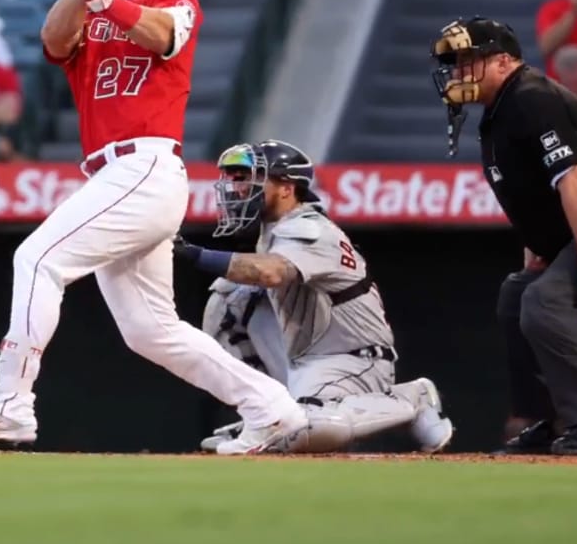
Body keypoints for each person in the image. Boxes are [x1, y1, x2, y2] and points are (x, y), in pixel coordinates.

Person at [0, 0, 307, 453]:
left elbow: (163, 36)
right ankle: (271, 408)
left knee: (38, 259)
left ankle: (10, 400)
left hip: (146, 166)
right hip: (111, 175)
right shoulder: (82, 18)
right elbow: (52, 39)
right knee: (150, 331)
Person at [429, 16, 577, 456]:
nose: (459, 71)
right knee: (517, 294)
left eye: (469, 60)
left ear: (503, 62)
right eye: (457, 63)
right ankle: (555, 420)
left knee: (546, 301)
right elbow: (534, 191)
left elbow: (575, 182)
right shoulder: (502, 109)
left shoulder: (531, 97)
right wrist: (539, 248)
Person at [173, 141, 454, 455]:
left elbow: (272, 273)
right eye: (234, 177)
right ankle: (267, 410)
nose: (236, 187)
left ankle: (412, 398)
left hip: (352, 360)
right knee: (229, 298)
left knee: (307, 432)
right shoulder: (275, 230)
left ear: (286, 187)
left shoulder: (310, 228)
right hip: (303, 361)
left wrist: (194, 254)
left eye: (247, 177)